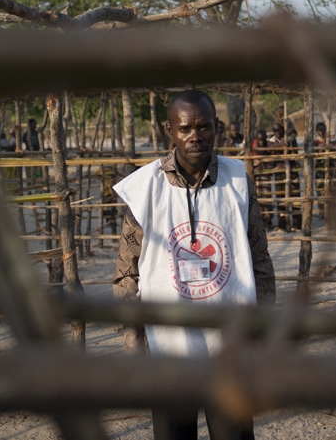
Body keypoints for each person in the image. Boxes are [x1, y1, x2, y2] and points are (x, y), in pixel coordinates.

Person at [113, 89, 275, 440]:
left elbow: (261, 262)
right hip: (170, 348)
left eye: (204, 127)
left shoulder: (237, 180)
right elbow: (128, 272)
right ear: (168, 130)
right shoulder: (146, 189)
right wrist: (134, 341)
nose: (195, 136)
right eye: (185, 128)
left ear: (216, 127)